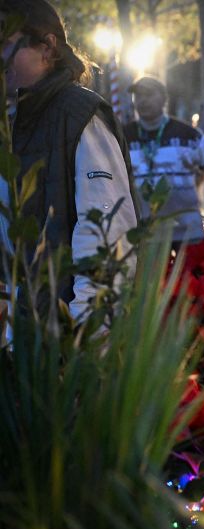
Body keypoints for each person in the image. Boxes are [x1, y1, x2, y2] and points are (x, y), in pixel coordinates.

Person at [0, 0, 138, 321]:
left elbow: (107, 236)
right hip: (21, 337)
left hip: (61, 342)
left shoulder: (79, 114)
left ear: (47, 48)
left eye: (5, 43)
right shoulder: (11, 120)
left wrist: (83, 338)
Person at [123, 76, 204, 248]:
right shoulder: (123, 137)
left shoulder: (188, 135)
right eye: (138, 96)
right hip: (144, 238)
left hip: (188, 235)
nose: (142, 100)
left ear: (164, 99)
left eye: (148, 94)